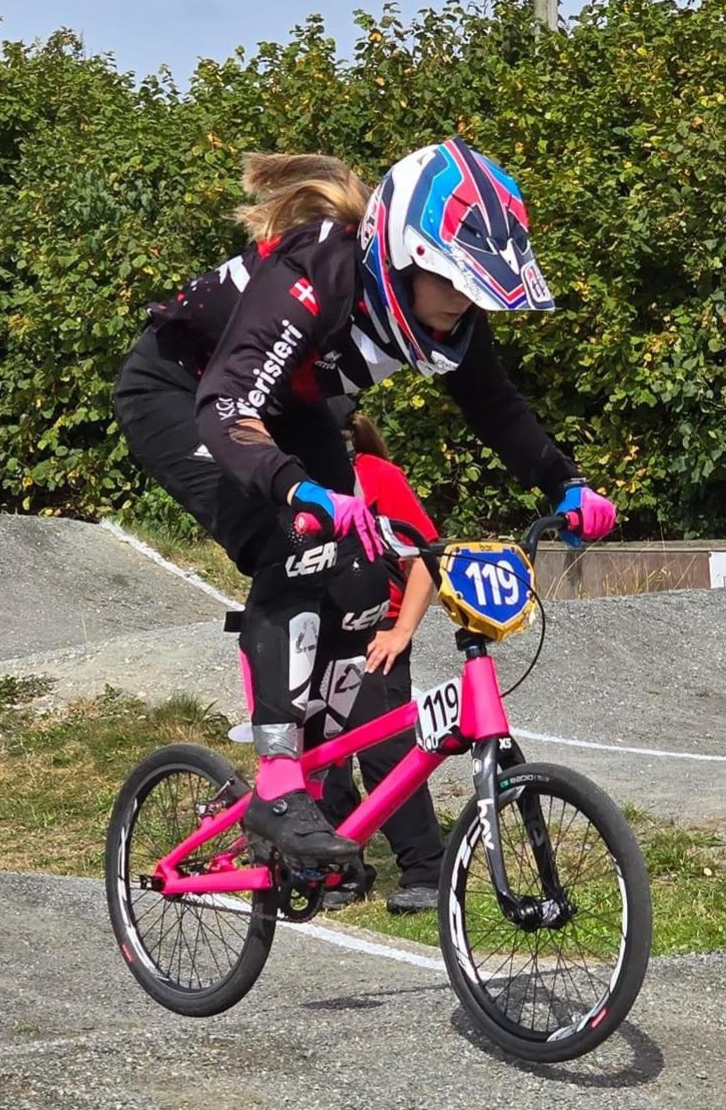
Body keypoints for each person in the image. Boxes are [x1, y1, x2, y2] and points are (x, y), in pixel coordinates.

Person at [113, 138, 617, 872]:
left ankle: (317, 791)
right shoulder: (312, 273)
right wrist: (296, 489)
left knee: (361, 578)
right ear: (401, 256)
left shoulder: (448, 317)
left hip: (289, 410)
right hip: (184, 393)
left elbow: (497, 407)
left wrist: (566, 484)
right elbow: (228, 406)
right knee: (297, 544)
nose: (463, 303)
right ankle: (278, 782)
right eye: (453, 282)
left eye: (477, 288)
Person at [319, 400, 447, 913]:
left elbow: (425, 558)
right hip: (320, 635)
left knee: (386, 756)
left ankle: (427, 870)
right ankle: (340, 868)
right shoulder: (295, 481)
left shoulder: (375, 476)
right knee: (322, 759)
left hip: (376, 634)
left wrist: (401, 631)